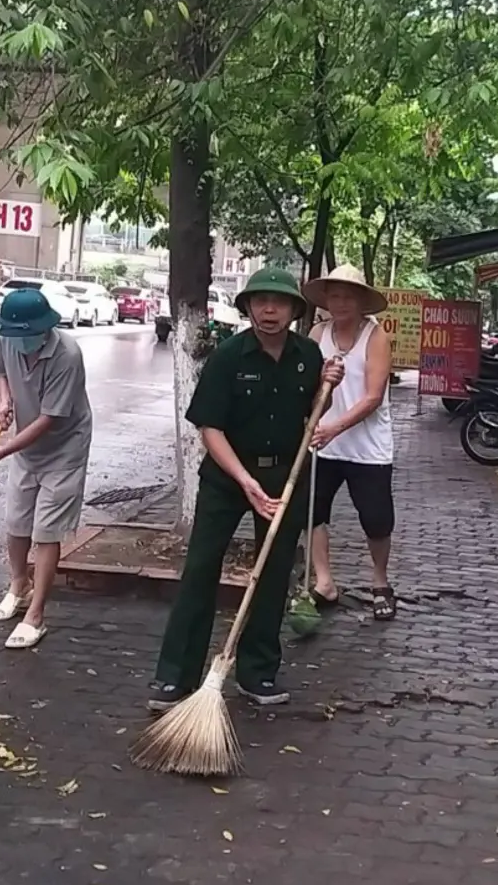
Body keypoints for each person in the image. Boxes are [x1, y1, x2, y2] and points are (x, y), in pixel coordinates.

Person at [148, 268, 344, 713]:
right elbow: (209, 428)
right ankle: (175, 676)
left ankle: (258, 671)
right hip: (227, 476)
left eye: (279, 302)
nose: (269, 310)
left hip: (285, 476)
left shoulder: (308, 355)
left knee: (274, 574)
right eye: (260, 302)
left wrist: (329, 385)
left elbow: (314, 410)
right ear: (248, 307)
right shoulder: (229, 357)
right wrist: (246, 482)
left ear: (295, 310)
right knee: (200, 569)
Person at [0, 287, 92, 649]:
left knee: (46, 529)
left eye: (27, 335)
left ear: (44, 328)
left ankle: (35, 614)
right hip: (26, 444)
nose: (19, 342)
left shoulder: (67, 355)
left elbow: (49, 421)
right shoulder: (9, 338)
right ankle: (18, 584)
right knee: (17, 521)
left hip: (63, 447)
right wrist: (5, 400)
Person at [303, 265, 396, 620]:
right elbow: (308, 386)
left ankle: (380, 582)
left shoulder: (376, 337)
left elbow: (373, 397)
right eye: (334, 295)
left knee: (376, 518)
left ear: (361, 302)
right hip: (323, 443)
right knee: (312, 512)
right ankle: (324, 581)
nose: (339, 302)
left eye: (347, 296)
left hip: (367, 449)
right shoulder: (317, 333)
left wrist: (335, 427)